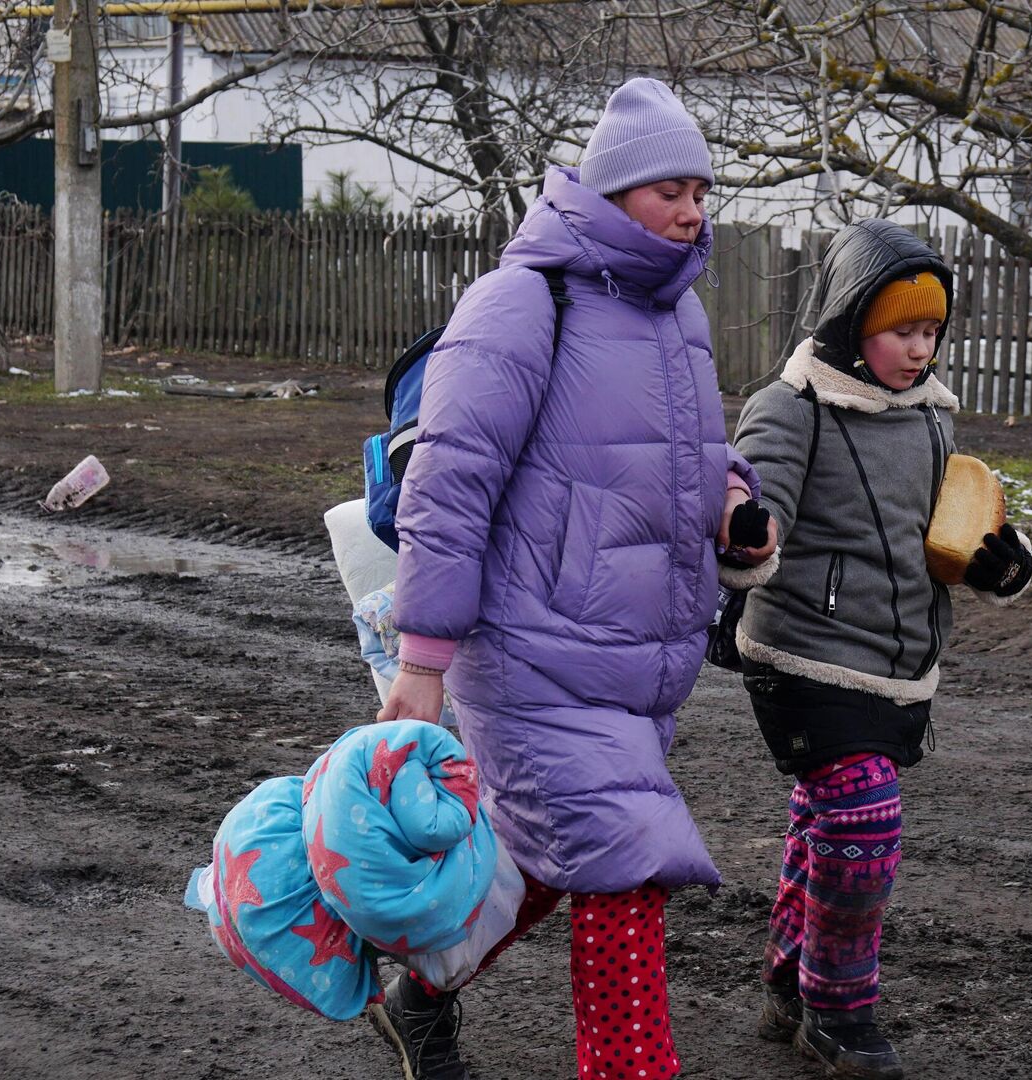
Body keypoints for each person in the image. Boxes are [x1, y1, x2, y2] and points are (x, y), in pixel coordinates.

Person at [371, 77, 777, 1080]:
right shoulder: (523, 299)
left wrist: (734, 511)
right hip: (530, 656)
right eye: (669, 190)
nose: (691, 211)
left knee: (547, 867)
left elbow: (695, 455)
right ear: (612, 191)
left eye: (701, 191)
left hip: (635, 670)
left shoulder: (679, 317)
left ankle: (417, 997)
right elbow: (449, 485)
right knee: (626, 873)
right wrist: (421, 664)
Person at [729, 220, 1032, 1079]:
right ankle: (837, 1008)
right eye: (904, 329)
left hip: (899, 663)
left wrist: (999, 562)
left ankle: (788, 981)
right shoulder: (791, 407)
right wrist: (747, 534)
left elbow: (950, 532)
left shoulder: (932, 417)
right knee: (864, 821)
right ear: (852, 321)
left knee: (827, 818)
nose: (920, 348)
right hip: (802, 655)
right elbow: (756, 493)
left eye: (932, 331)